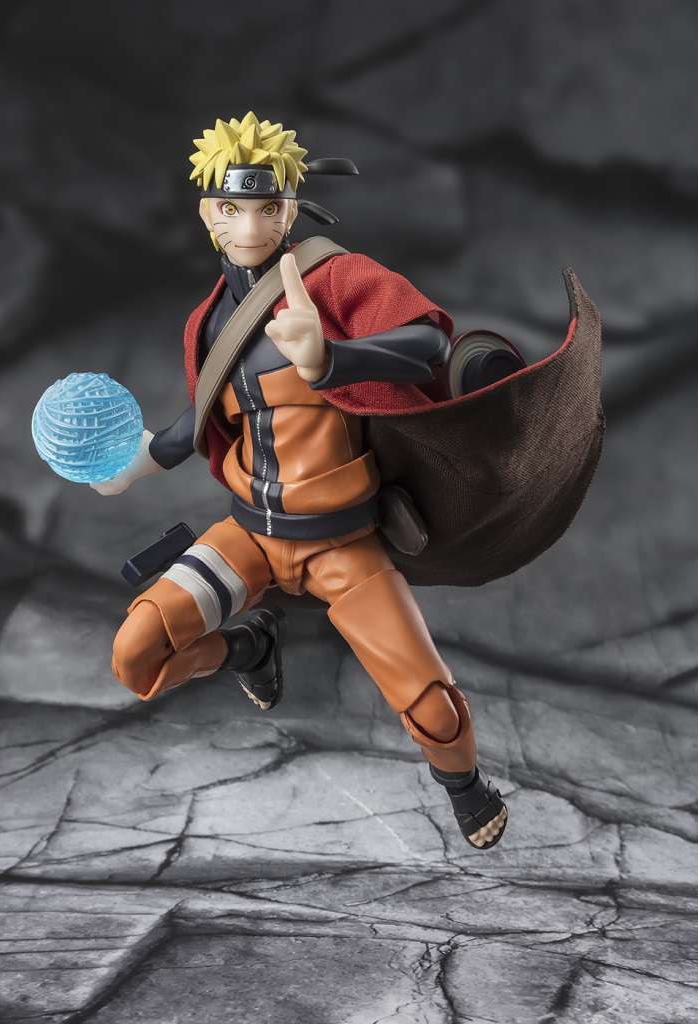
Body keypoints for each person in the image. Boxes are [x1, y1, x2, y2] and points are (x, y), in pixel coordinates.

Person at [94, 112, 515, 851]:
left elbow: (429, 342)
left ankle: (467, 787)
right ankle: (246, 648)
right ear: (208, 213)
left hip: (342, 545)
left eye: (268, 207)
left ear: (290, 209)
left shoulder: (336, 279)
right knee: (136, 655)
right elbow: (205, 414)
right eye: (232, 207)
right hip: (249, 536)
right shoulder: (206, 323)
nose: (250, 224)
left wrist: (332, 360)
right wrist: (144, 459)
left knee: (433, 710)